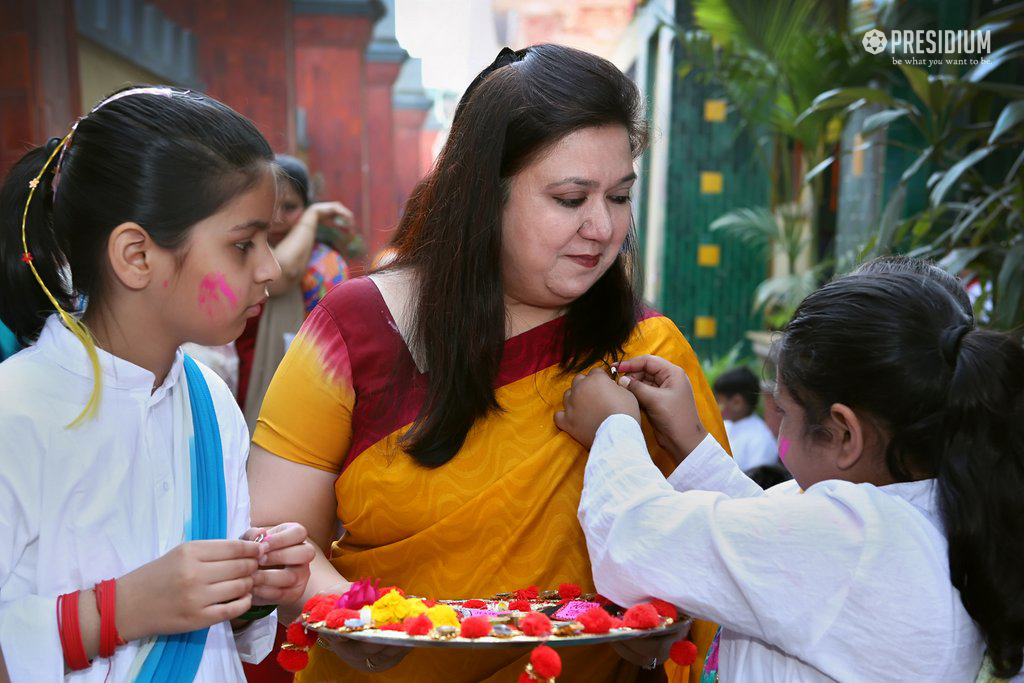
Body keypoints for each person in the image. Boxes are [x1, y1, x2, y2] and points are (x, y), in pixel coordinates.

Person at [247, 44, 729, 682]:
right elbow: (276, 533)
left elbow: (717, 547)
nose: (602, 228)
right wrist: (334, 609)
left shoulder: (648, 351)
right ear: (484, 196)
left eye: (618, 197)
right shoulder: (353, 329)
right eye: (568, 197)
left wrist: (659, 622)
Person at [557, 268, 1024, 681]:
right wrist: (689, 439)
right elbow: (770, 533)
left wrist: (611, 427)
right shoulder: (930, 514)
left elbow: (634, 541)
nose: (777, 424)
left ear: (844, 434)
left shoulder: (857, 544)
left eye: (784, 410)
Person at [0, 86, 316, 682]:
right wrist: (117, 612)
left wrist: (252, 588)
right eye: (243, 244)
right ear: (137, 255)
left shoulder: (210, 402)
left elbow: (219, 634)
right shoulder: (14, 413)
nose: (271, 267)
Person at [235, 154, 353, 432]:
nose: (277, 218)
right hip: (241, 383)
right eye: (270, 206)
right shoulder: (241, 250)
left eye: (290, 207)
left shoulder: (327, 264)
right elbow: (284, 271)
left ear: (306, 205)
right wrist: (311, 216)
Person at [712, 367, 778, 471]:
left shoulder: (760, 440)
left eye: (718, 401)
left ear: (737, 402)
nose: (715, 406)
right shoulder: (724, 426)